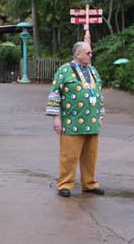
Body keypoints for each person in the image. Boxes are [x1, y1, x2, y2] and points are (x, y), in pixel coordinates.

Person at [45, 41, 105, 198]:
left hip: (91, 121)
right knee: (69, 156)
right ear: (78, 54)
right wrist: (56, 118)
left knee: (90, 156)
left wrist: (100, 114)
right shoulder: (64, 70)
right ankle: (65, 184)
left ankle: (90, 184)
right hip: (72, 121)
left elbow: (99, 93)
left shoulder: (93, 71)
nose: (91, 55)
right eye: (88, 53)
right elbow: (54, 94)